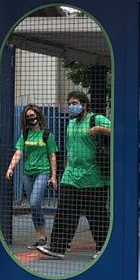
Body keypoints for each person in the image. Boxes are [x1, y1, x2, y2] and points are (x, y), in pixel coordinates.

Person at [37, 90, 111, 260]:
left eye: (75, 103)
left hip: (95, 178)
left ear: (84, 105)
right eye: (69, 104)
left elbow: (119, 132)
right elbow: (70, 149)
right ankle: (58, 247)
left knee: (97, 215)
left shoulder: (96, 119)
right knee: (65, 212)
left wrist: (100, 129)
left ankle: (103, 248)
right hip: (71, 176)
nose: (71, 106)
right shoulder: (70, 124)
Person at [5, 104, 58, 248]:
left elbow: (52, 155)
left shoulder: (47, 134)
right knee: (33, 206)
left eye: (32, 116)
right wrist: (11, 168)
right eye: (27, 117)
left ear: (38, 116)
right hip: (27, 174)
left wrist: (53, 176)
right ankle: (41, 237)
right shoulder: (25, 134)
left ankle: (43, 235)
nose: (30, 118)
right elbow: (18, 152)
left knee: (35, 202)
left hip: (43, 171)